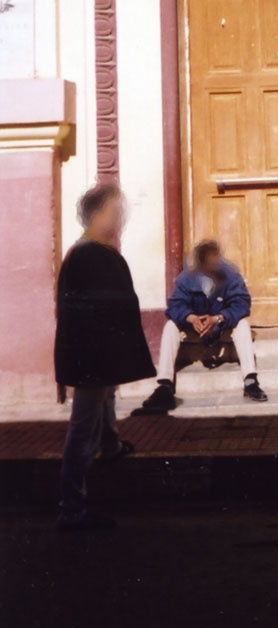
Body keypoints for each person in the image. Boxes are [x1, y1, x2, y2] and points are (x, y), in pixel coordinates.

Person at [55, 183, 156, 531]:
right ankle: (72, 511)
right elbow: (95, 311)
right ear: (97, 215)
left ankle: (110, 446)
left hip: (94, 355)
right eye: (115, 211)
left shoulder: (89, 251)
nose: (120, 218)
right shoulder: (89, 254)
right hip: (91, 356)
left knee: (104, 403)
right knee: (83, 428)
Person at [140, 239, 267, 412]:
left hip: (221, 326)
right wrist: (191, 318)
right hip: (195, 328)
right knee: (170, 327)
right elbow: (175, 306)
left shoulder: (230, 276)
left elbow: (242, 304)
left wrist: (218, 319)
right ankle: (164, 385)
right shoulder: (186, 279)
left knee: (243, 325)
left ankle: (250, 380)